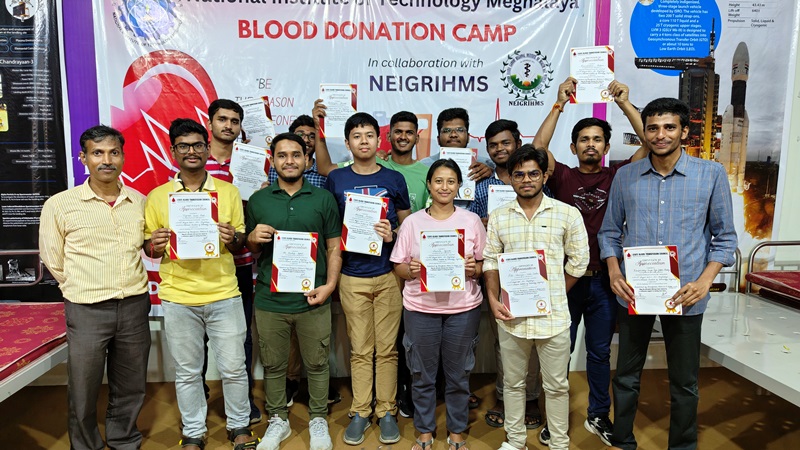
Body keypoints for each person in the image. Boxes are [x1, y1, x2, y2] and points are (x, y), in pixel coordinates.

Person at [598, 98, 737, 450]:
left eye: (669, 127)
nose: (661, 135)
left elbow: (725, 238)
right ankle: (623, 441)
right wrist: (614, 271)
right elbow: (609, 232)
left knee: (684, 382)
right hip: (634, 293)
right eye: (653, 128)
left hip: (687, 292)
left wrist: (705, 281)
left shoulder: (711, 174)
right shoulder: (626, 176)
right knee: (626, 377)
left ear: (684, 132)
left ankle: (682, 447)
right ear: (644, 133)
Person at [531, 77, 648, 445]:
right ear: (574, 146)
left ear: (606, 147)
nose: (591, 144)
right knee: (559, 354)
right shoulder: (562, 176)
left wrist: (624, 103)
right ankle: (555, 420)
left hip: (604, 281)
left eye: (597, 139)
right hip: (565, 280)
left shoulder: (619, 175)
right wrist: (558, 104)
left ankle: (598, 415)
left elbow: (649, 143)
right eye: (584, 139)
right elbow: (537, 148)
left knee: (599, 354)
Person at [144, 118, 258, 450]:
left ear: (207, 149)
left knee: (234, 368)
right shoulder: (158, 197)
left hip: (224, 293)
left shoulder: (228, 192)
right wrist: (155, 244)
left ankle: (238, 426)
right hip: (178, 297)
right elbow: (150, 248)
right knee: (188, 371)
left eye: (197, 145)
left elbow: (239, 243)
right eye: (183, 146)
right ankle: (194, 431)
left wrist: (232, 237)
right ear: (173, 151)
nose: (191, 151)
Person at [39, 125, 151, 450]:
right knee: (83, 386)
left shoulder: (139, 202)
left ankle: (123, 439)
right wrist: (81, 286)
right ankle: (86, 445)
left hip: (133, 304)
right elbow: (52, 258)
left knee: (131, 383)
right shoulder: (60, 205)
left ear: (123, 157)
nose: (106, 160)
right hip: (86, 308)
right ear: (83, 158)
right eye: (97, 153)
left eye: (114, 153)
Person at [483, 146, 589, 450]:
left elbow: (579, 261)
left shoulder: (567, 214)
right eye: (519, 175)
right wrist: (493, 298)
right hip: (512, 317)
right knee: (513, 384)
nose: (526, 180)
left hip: (553, 318)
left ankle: (559, 444)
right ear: (511, 178)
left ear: (544, 175)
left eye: (533, 174)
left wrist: (551, 292)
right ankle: (515, 441)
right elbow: (490, 261)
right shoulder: (500, 217)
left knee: (556, 386)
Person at [246, 133, 342, 450]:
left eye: (296, 154)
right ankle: (278, 419)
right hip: (270, 299)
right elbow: (251, 248)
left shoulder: (323, 199)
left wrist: (330, 286)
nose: (290, 160)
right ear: (273, 161)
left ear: (307, 160)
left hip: (313, 298)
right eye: (282, 155)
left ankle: (318, 418)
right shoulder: (258, 200)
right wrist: (252, 238)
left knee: (317, 363)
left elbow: (334, 247)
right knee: (274, 365)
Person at [324, 112, 411, 445]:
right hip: (351, 276)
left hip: (388, 275)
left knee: (387, 350)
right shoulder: (336, 179)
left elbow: (407, 227)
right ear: (348, 143)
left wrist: (393, 234)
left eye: (369, 135)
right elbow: (332, 229)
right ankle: (361, 410)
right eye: (357, 136)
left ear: (379, 140)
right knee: (360, 350)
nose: (364, 141)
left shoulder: (394, 178)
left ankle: (386, 410)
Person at [390, 158, 486, 450]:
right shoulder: (412, 222)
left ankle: (456, 432)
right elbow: (398, 266)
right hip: (421, 310)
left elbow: (484, 264)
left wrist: (473, 269)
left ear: (459, 186)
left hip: (462, 309)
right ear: (429, 185)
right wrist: (411, 271)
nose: (445, 187)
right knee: (421, 375)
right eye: (439, 181)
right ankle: (424, 432)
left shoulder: (471, 221)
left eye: (451, 181)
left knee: (458, 376)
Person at [469, 120, 544, 431]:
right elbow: (469, 223)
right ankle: (503, 396)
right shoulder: (481, 184)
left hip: (534, 274)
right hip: (497, 273)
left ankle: (531, 398)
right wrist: (483, 222)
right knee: (505, 342)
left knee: (535, 340)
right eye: (493, 145)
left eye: (505, 143)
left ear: (517, 143)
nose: (500, 149)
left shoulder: (533, 178)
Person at [204, 98, 261, 424]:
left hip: (240, 264)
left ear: (241, 127)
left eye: (234, 121)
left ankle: (244, 401)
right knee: (198, 339)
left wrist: (260, 191)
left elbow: (256, 211)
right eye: (222, 119)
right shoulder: (194, 161)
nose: (228, 125)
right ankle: (198, 399)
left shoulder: (252, 161)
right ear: (210, 123)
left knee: (242, 336)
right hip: (198, 265)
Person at [267, 114, 327, 188]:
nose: (306, 140)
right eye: (300, 135)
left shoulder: (324, 173)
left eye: (312, 137)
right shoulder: (272, 169)